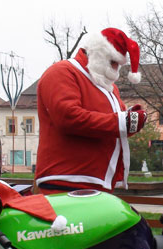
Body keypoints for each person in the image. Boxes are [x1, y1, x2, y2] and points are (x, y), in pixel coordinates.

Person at [34, 28, 147, 195]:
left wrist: (132, 119)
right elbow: (68, 117)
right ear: (99, 53)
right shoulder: (62, 72)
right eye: (113, 62)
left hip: (97, 181)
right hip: (66, 180)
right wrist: (123, 121)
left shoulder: (107, 86)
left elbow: (113, 127)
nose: (115, 70)